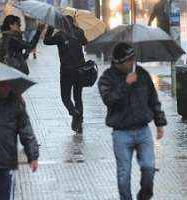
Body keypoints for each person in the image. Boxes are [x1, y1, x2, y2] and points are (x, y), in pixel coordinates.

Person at [98, 43, 167, 200]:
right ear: (118, 63)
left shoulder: (142, 74)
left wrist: (159, 122)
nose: (132, 63)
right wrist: (126, 84)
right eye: (128, 61)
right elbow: (109, 100)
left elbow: (153, 99)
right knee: (124, 173)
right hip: (121, 133)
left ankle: (144, 196)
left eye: (133, 59)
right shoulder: (107, 78)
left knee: (149, 168)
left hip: (143, 130)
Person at [43, 15, 88, 134]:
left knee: (65, 97)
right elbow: (85, 42)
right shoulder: (79, 32)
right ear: (73, 22)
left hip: (66, 71)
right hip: (80, 70)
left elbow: (46, 41)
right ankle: (78, 121)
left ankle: (74, 112)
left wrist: (51, 28)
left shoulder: (60, 35)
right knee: (78, 97)